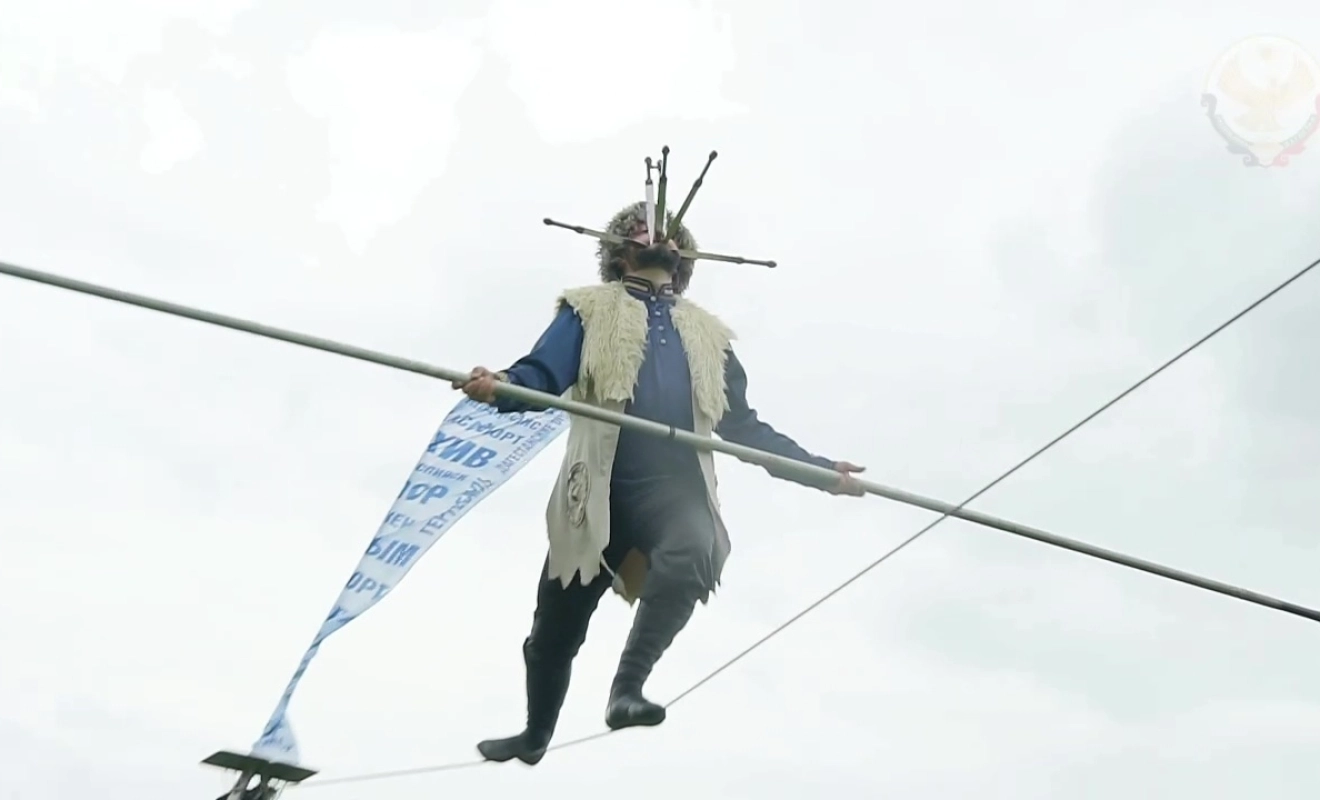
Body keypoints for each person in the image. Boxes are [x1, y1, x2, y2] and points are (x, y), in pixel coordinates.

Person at [454, 200, 865, 766]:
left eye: (667, 231)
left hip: (673, 487)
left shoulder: (708, 336)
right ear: (619, 248)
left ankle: (627, 690)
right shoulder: (587, 310)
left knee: (694, 546)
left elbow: (744, 427)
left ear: (684, 255)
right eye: (642, 228)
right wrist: (501, 384)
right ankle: (535, 734)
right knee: (554, 628)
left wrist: (819, 472)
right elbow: (543, 374)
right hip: (598, 486)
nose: (657, 235)